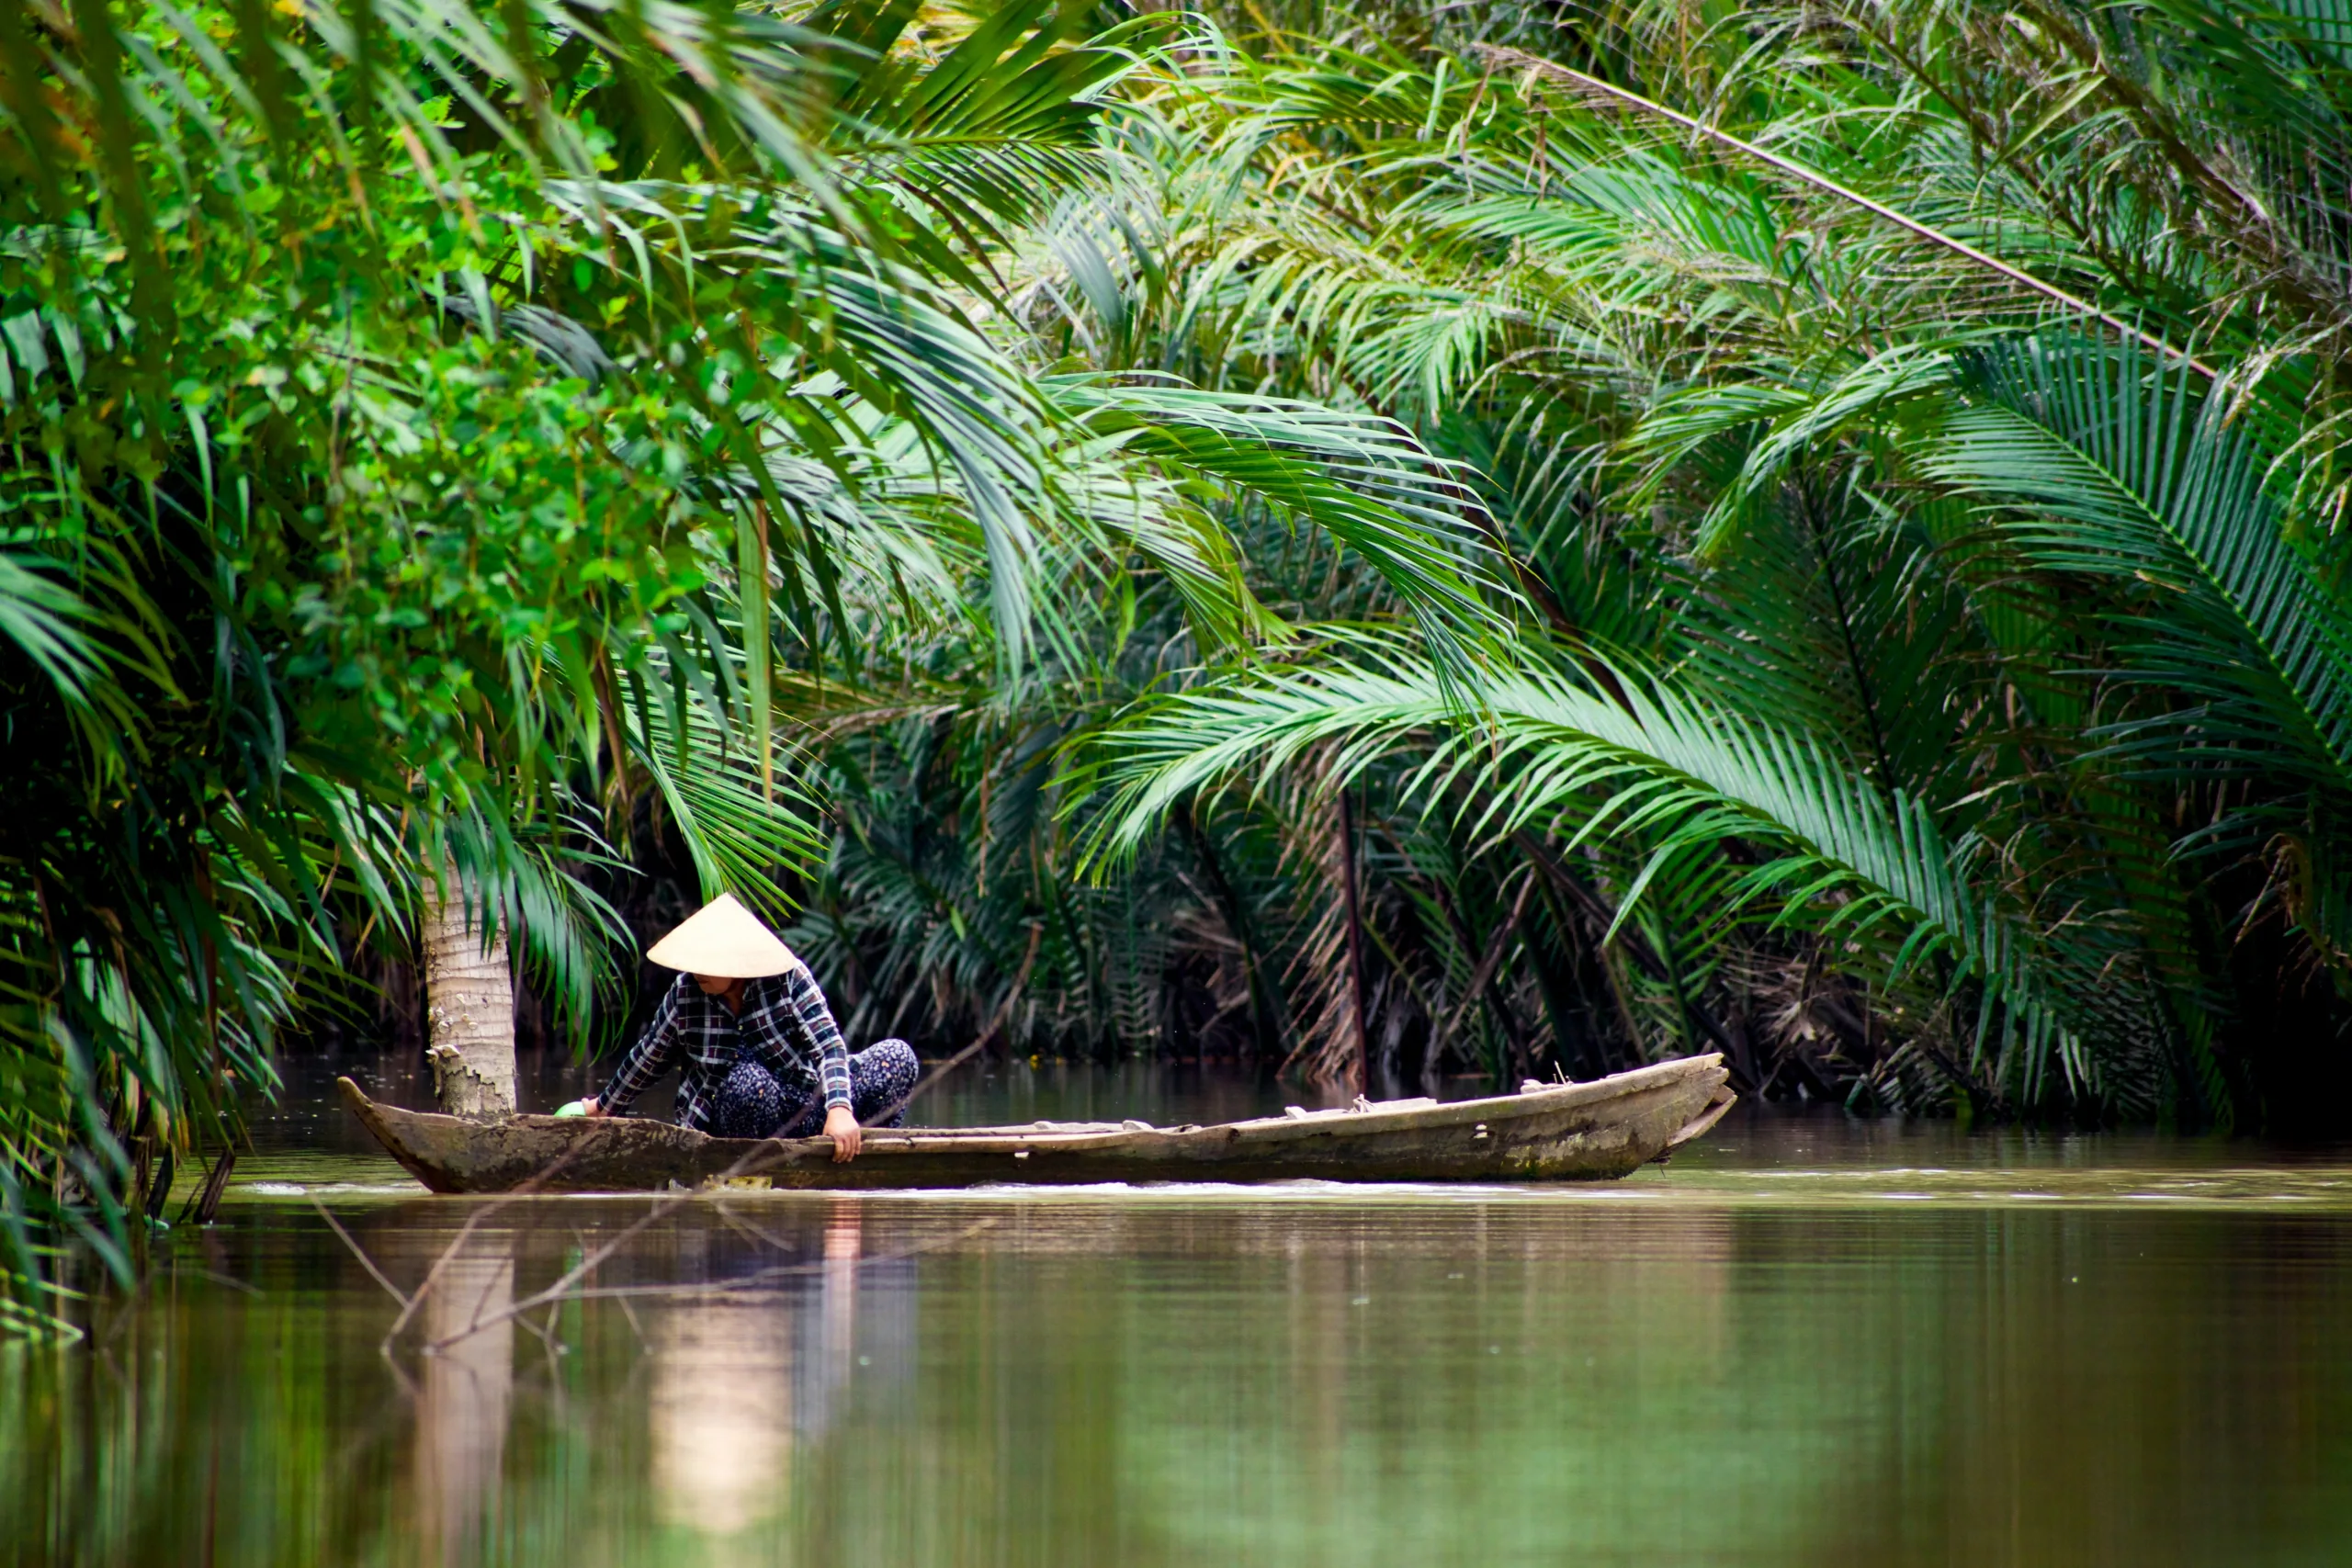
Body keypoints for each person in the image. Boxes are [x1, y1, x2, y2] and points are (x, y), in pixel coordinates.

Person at [576, 893, 918, 1162]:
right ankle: (757, 1166)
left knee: (897, 1057)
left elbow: (827, 1045)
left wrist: (840, 1109)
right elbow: (649, 1058)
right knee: (748, 1085)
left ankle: (852, 1149)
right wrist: (605, 1107)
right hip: (736, 1116)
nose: (698, 972)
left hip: (803, 1106)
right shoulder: (685, 993)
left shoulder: (787, 979)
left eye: (708, 964)